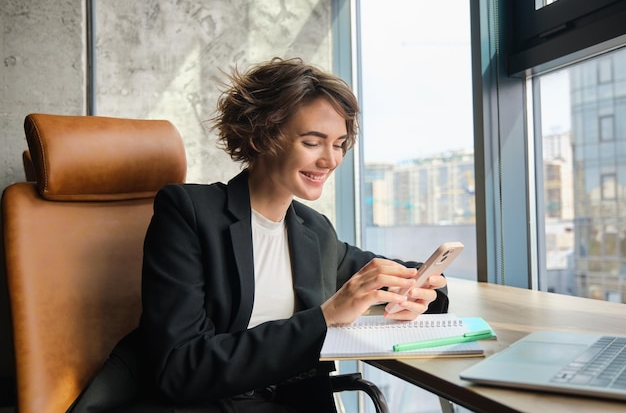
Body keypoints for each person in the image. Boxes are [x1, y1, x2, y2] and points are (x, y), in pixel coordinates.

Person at [69, 57, 448, 413]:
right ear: (260, 137)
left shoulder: (314, 231)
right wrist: (324, 317)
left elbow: (393, 273)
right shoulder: (188, 213)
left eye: (339, 144)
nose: (330, 160)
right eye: (313, 142)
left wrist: (422, 291)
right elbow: (181, 368)